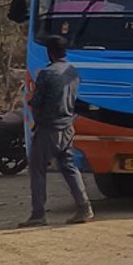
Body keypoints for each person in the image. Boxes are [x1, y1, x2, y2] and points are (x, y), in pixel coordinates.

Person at [20, 35, 94, 228]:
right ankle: (84, 207)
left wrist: (36, 116)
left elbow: (37, 103)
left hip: (48, 129)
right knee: (69, 167)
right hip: (67, 127)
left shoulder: (46, 74)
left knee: (37, 168)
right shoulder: (73, 72)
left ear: (49, 52)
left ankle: (38, 214)